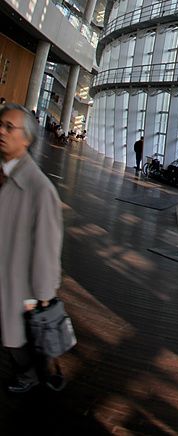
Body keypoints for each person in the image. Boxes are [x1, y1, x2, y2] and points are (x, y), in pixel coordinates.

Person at [0, 103, 63, 393]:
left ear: (26, 139)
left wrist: (44, 296)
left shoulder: (40, 189)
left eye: (9, 127)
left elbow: (47, 250)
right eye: (0, 124)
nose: (1, 131)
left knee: (19, 340)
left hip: (19, 286)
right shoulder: (6, 174)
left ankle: (31, 375)